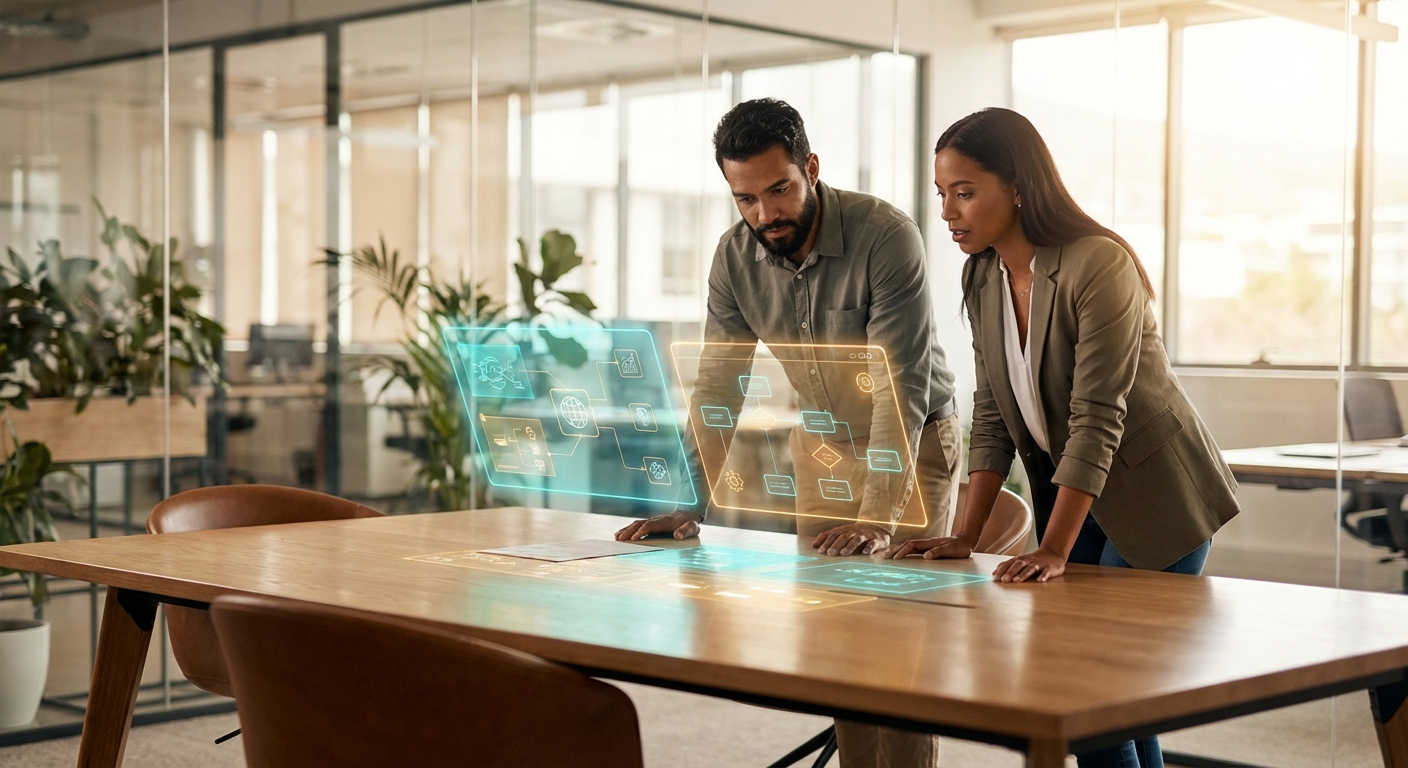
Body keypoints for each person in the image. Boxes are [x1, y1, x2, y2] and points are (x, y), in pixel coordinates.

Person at [886, 107, 1241, 768]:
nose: (947, 211)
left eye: (965, 192)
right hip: (1078, 498)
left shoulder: (1095, 262)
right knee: (1115, 700)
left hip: (1157, 498)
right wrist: (966, 535)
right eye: (941, 193)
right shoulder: (981, 275)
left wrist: (1052, 550)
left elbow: (1097, 414)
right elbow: (989, 412)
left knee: (1096, 699)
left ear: (1018, 186)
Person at [615, 97, 959, 768]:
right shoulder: (733, 258)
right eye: (745, 198)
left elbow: (898, 386)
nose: (764, 214)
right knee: (842, 646)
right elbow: (716, 386)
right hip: (824, 444)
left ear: (812, 168)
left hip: (915, 444)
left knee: (898, 648)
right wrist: (697, 501)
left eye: (779, 189)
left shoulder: (886, 235)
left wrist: (879, 519)